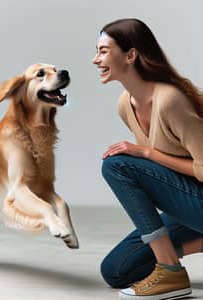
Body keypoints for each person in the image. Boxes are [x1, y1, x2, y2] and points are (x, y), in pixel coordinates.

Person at [92, 18, 203, 300]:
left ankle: (170, 271)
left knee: (117, 165)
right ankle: (177, 257)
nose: (96, 59)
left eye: (103, 51)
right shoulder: (125, 103)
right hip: (189, 202)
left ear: (130, 55)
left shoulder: (170, 101)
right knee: (116, 270)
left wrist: (146, 153)